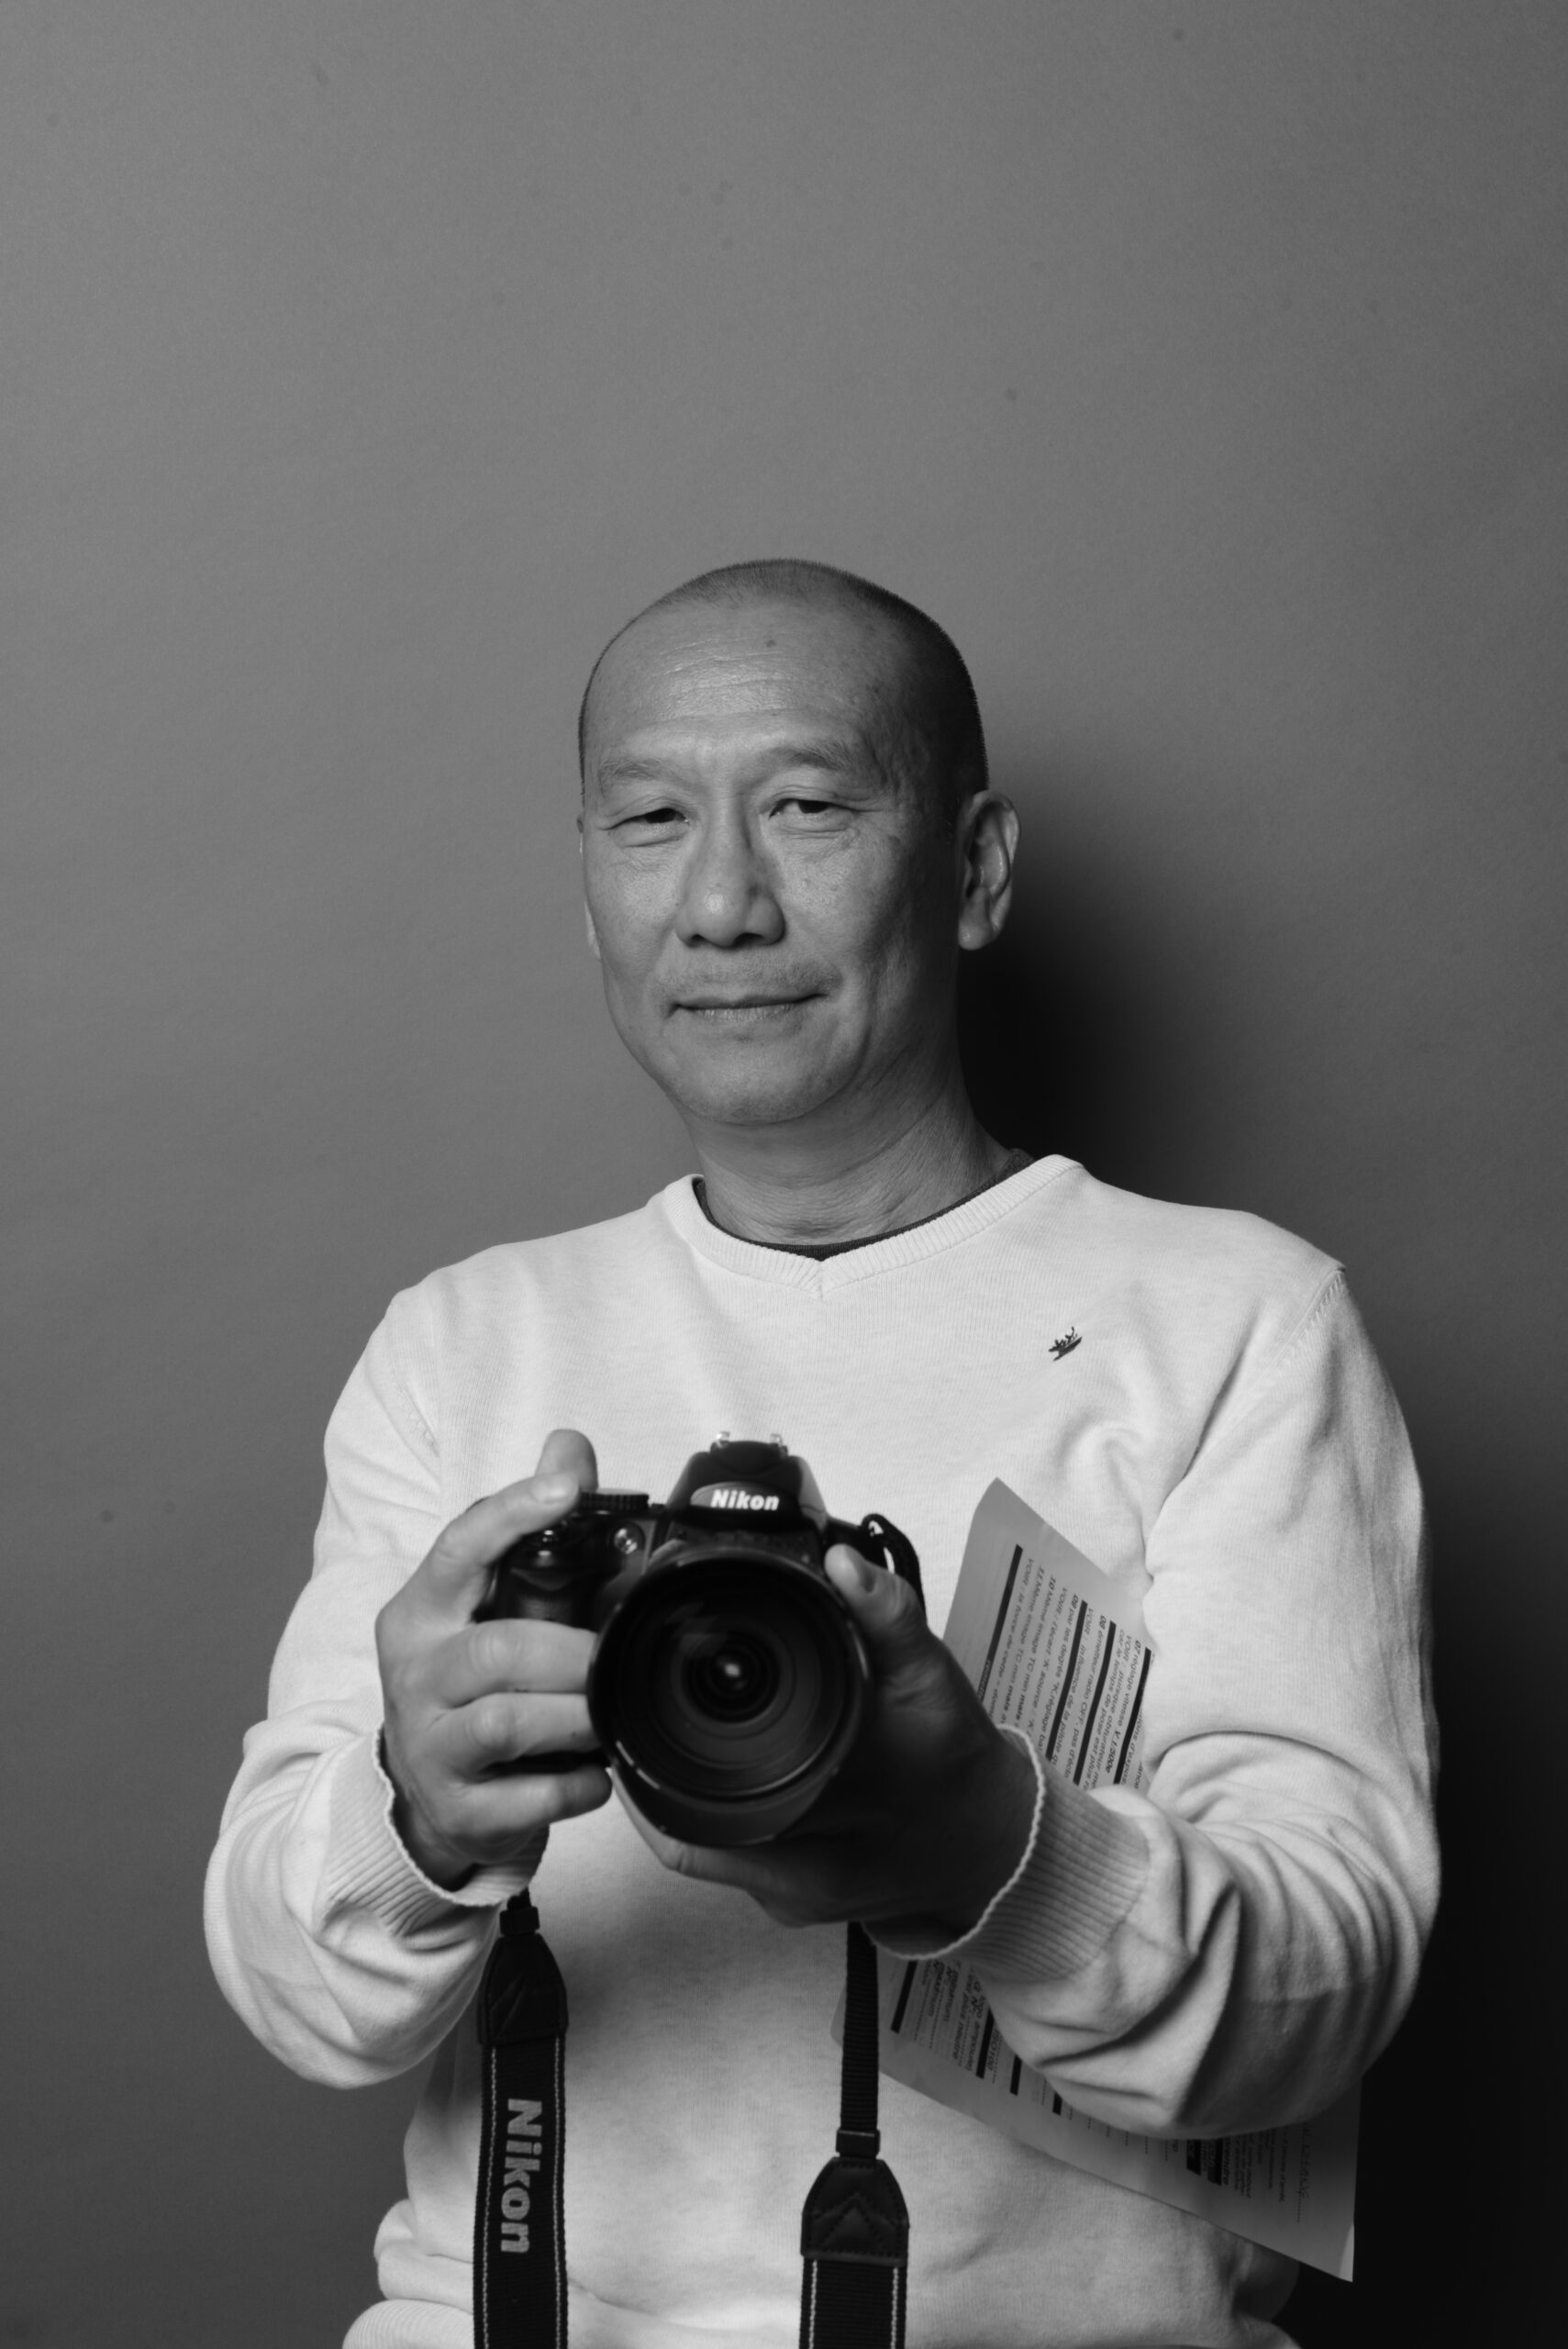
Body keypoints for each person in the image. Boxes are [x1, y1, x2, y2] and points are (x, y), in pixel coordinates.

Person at [205, 559, 1438, 2349]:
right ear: (588, 892)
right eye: (650, 819)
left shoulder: (1234, 1318)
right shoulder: (465, 1343)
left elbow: (1324, 1994)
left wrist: (986, 1843)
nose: (721, 902)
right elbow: (302, 1998)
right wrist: (416, 1809)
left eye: (807, 805)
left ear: (976, 868)